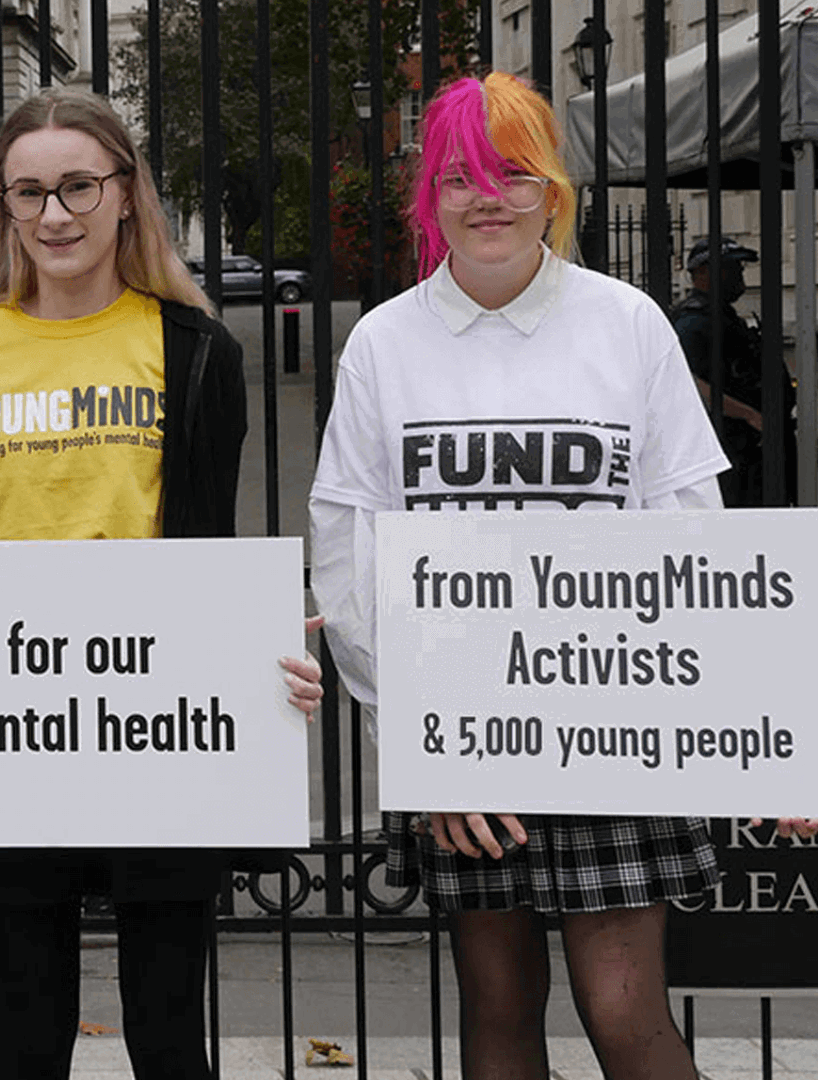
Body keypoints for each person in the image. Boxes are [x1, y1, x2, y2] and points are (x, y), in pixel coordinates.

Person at [0, 87, 322, 1080]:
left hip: (160, 728)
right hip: (10, 730)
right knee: (19, 1031)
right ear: (6, 208)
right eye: (29, 193)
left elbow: (207, 554)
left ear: (124, 192)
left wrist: (263, 661)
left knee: (167, 1028)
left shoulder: (195, 354)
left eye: (77, 187)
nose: (55, 216)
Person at [310, 72, 758, 1080]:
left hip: (615, 713)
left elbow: (689, 529)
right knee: (500, 1003)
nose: (489, 198)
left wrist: (710, 709)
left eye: (515, 174)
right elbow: (348, 551)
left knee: (622, 1004)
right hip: (462, 726)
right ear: (431, 197)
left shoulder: (626, 323)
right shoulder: (385, 343)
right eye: (461, 177)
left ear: (553, 188)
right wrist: (424, 739)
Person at [671, 235, 786, 507]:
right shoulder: (693, 322)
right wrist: (749, 415)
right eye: (729, 268)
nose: (738, 276)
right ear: (701, 273)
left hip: (750, 448)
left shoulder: (722, 316)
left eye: (738, 269)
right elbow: (690, 384)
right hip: (728, 446)